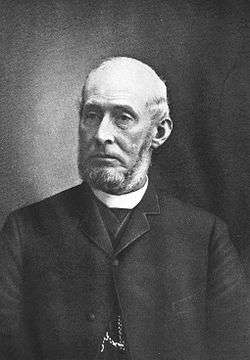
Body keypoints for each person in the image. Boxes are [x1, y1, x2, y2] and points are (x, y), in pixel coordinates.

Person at [0, 57, 249, 360]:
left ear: (159, 132)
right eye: (92, 114)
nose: (102, 134)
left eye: (123, 117)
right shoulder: (24, 229)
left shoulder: (206, 236)